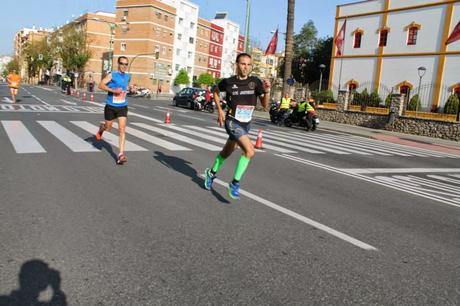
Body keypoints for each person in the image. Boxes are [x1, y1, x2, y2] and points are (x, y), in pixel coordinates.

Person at [203, 53, 270, 200]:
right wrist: (220, 110)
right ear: (237, 65)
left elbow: (265, 106)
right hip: (232, 121)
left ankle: (211, 173)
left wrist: (266, 91)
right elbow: (214, 90)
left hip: (246, 124)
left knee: (227, 152)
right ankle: (235, 183)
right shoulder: (228, 82)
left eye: (248, 64)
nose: (246, 67)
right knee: (250, 151)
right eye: (243, 64)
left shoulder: (255, 82)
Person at [95, 56, 131, 165]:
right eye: (122, 63)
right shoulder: (112, 75)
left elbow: (125, 87)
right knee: (109, 127)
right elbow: (100, 85)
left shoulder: (128, 76)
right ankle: (102, 128)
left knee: (122, 129)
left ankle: (120, 154)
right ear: (118, 64)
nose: (124, 66)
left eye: (126, 64)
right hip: (110, 106)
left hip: (122, 106)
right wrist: (113, 90)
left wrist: (130, 89)